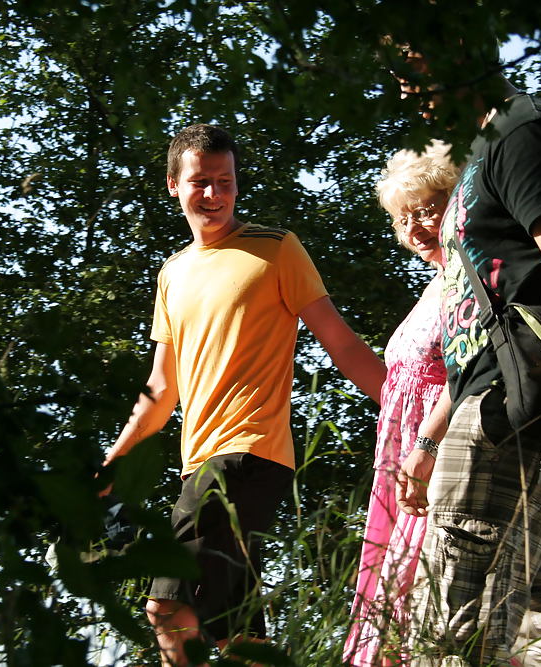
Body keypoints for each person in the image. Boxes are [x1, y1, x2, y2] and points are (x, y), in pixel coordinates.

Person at [101, 123, 387, 667]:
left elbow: (342, 344)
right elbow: (162, 389)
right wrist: (114, 460)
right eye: (200, 182)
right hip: (199, 463)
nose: (213, 194)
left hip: (247, 453)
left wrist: (408, 411)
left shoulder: (275, 249)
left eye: (225, 182)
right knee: (239, 638)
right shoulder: (173, 273)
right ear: (173, 185)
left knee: (167, 607)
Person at [395, 51, 541, 666]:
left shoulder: (522, 131)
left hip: (512, 414)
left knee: (448, 632)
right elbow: (474, 336)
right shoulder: (478, 155)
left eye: (413, 60)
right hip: (489, 405)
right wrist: (426, 440)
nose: (402, 84)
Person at [344, 141, 459, 666]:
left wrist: (425, 443)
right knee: (395, 600)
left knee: (427, 598)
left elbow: (470, 370)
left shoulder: (467, 278)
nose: (415, 227)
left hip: (434, 457)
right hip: (400, 466)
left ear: (458, 202)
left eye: (428, 210)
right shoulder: (436, 284)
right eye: (404, 217)